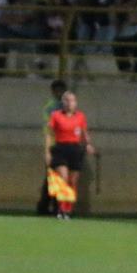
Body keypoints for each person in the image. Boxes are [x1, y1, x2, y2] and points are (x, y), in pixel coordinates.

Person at [45, 90, 95, 220]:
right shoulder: (56, 116)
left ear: (75, 103)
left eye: (72, 100)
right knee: (63, 178)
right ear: (62, 102)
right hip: (61, 148)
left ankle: (68, 208)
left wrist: (88, 144)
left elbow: (84, 133)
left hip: (75, 149)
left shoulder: (80, 117)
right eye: (66, 100)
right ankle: (60, 208)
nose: (69, 103)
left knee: (73, 181)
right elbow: (49, 134)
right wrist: (47, 151)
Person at [36, 79, 67, 215]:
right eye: (58, 90)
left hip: (61, 144)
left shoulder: (60, 106)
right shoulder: (53, 107)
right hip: (55, 145)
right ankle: (51, 206)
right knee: (54, 178)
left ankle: (48, 206)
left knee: (53, 178)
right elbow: (51, 129)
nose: (60, 93)